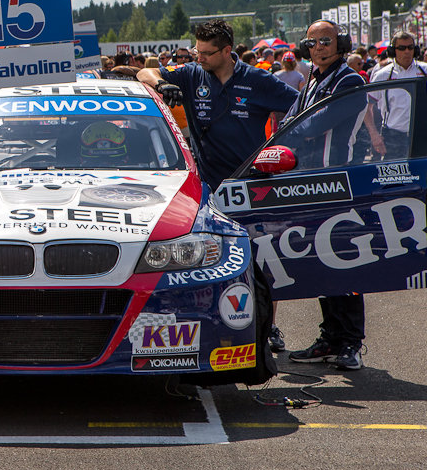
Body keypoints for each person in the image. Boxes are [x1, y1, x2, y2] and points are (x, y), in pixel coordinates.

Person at [285, 20, 368, 371]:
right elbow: (292, 118)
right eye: (313, 42)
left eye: (326, 40)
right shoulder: (312, 80)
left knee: (344, 263)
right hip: (311, 183)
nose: (318, 47)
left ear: (342, 43)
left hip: (338, 183)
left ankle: (350, 343)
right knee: (320, 265)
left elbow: (312, 124)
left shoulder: (349, 80)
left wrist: (288, 134)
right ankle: (330, 337)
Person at [136, 19, 298, 190]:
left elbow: (302, 106)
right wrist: (161, 84)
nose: (199, 58)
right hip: (209, 187)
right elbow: (145, 72)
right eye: (197, 51)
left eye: (206, 53)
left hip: (252, 184)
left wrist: (285, 139)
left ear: (226, 51)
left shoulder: (258, 79)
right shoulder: (191, 74)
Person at [365, 31, 427, 160]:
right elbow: (366, 107)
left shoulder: (424, 70)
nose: (407, 52)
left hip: (423, 134)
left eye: (410, 48)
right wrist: (374, 135)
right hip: (393, 137)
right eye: (402, 48)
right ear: (393, 51)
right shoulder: (383, 75)